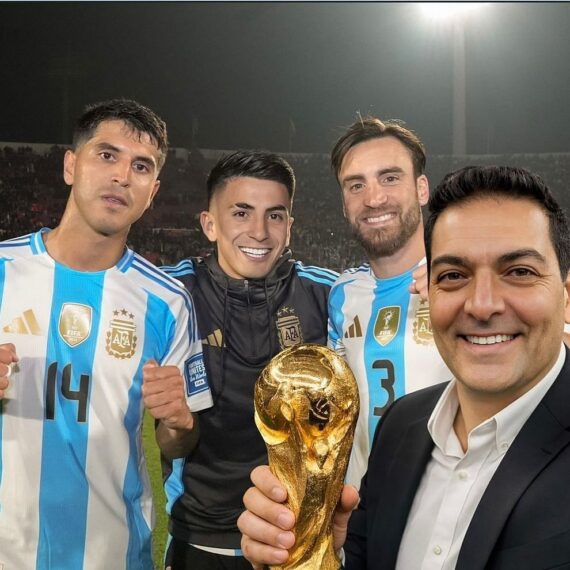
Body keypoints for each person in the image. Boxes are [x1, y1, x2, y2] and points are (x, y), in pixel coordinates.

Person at [238, 165, 570, 569]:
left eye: (519, 272)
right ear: (428, 292)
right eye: (453, 275)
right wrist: (315, 552)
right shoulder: (400, 425)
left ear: (566, 294)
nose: (482, 305)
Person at [0, 99, 212, 569]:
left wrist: (179, 421)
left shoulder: (168, 301)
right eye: (107, 155)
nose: (122, 176)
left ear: (153, 192)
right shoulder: (2, 270)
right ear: (70, 165)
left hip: (113, 555)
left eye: (141, 166)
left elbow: (178, 442)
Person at [146, 150, 338, 569]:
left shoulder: (328, 295)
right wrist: (177, 422)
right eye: (241, 213)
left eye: (275, 216)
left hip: (296, 539)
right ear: (209, 224)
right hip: (201, 539)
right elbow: (172, 442)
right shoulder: (170, 296)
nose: (260, 232)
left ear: (290, 227)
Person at [328, 117, 451, 486]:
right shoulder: (341, 294)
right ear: (344, 203)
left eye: (390, 178)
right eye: (356, 185)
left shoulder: (467, 279)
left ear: (422, 189)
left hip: (453, 507)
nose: (374, 198)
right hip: (362, 509)